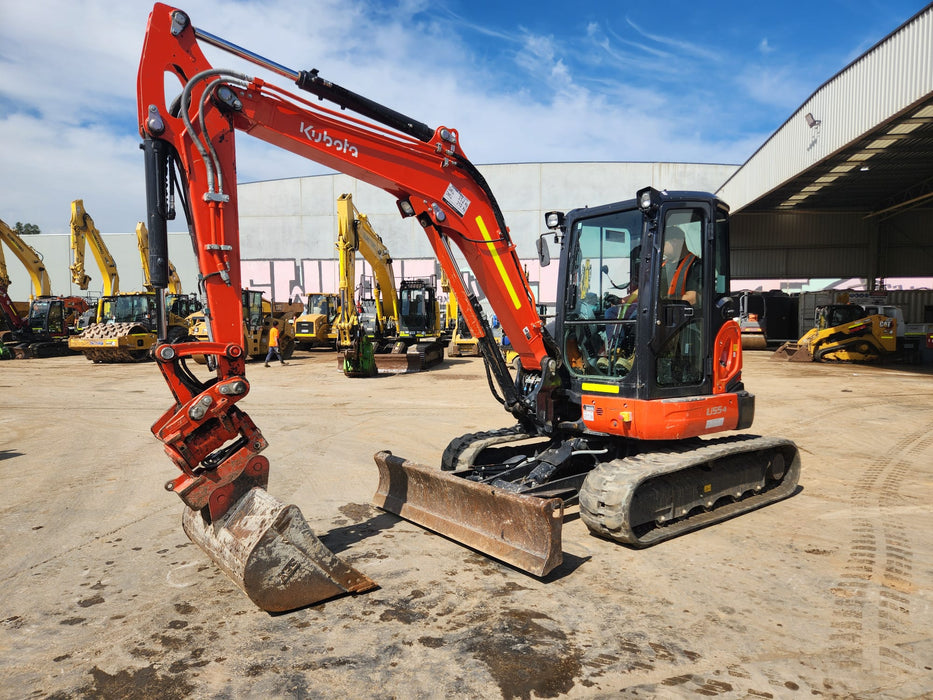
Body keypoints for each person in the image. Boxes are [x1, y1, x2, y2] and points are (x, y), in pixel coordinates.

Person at [662, 225, 699, 306]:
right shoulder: (663, 265)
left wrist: (662, 301)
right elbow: (646, 288)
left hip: (686, 316)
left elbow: (693, 299)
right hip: (665, 314)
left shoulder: (696, 265)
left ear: (674, 242)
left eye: (662, 244)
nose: (661, 249)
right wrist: (629, 299)